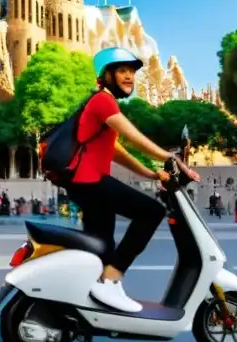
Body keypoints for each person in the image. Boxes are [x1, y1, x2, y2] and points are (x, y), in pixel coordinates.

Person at [64, 47, 200, 313]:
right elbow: (133, 136)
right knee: (151, 212)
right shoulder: (103, 101)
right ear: (106, 75)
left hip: (87, 184)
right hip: (90, 182)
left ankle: (95, 296)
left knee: (102, 244)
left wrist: (151, 173)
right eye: (122, 71)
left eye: (132, 72)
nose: (129, 77)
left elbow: (117, 151)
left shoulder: (101, 105)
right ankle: (111, 280)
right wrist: (173, 159)